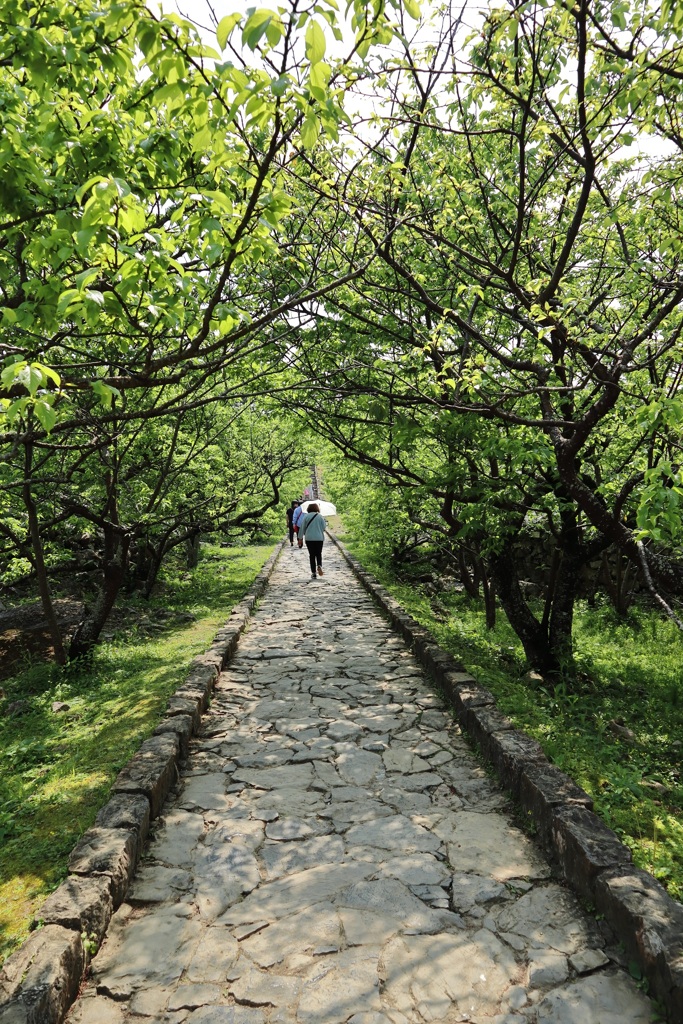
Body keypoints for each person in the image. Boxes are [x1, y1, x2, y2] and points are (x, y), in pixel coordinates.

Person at [298, 502, 326, 579]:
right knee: (319, 553)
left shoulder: (306, 517)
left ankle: (313, 572)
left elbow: (302, 528)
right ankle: (319, 565)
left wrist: (300, 538)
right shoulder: (320, 517)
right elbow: (324, 527)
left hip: (309, 538)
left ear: (308, 509)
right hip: (319, 538)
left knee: (312, 555)